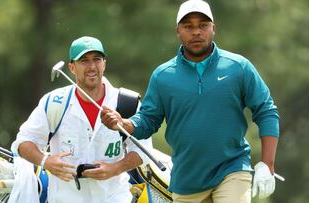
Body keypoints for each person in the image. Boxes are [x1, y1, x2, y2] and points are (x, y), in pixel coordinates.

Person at [100, 0, 281, 202]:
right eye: (189, 26)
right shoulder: (163, 76)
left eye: (203, 25)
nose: (196, 32)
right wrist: (126, 124)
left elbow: (266, 111)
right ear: (178, 31)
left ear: (214, 28)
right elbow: (149, 120)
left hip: (232, 168)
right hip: (187, 179)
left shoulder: (238, 67)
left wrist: (267, 163)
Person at [11, 36, 151, 203]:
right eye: (84, 61)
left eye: (97, 59)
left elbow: (144, 150)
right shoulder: (55, 102)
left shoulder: (127, 102)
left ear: (104, 63)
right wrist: (45, 161)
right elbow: (23, 142)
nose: (92, 66)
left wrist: (114, 169)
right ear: (72, 67)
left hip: (114, 197)